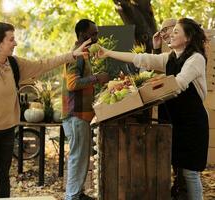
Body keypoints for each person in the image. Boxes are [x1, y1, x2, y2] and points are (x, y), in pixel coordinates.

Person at [0, 22, 91, 200]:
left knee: (3, 176)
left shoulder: (14, 64)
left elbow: (43, 64)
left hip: (7, 130)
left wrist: (72, 55)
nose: (15, 43)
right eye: (11, 39)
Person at [97, 18, 209, 200]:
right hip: (176, 122)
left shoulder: (195, 59)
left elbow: (178, 84)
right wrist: (108, 52)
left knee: (190, 173)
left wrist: (149, 89)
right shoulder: (171, 57)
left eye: (176, 32)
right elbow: (142, 59)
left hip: (192, 124)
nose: (170, 35)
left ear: (188, 37)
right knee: (178, 172)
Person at [62, 19, 110, 200]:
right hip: (76, 114)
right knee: (78, 157)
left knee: (82, 157)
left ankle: (77, 193)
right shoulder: (77, 55)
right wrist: (97, 78)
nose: (97, 37)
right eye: (94, 33)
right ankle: (72, 196)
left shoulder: (83, 54)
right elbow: (73, 83)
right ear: (83, 35)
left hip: (80, 115)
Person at [152, 18, 188, 199]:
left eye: (166, 30)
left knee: (181, 154)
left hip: (182, 109)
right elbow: (155, 75)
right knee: (172, 151)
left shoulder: (183, 52)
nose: (163, 33)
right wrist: (156, 48)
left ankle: (182, 189)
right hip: (168, 108)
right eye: (161, 30)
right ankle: (177, 186)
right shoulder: (168, 52)